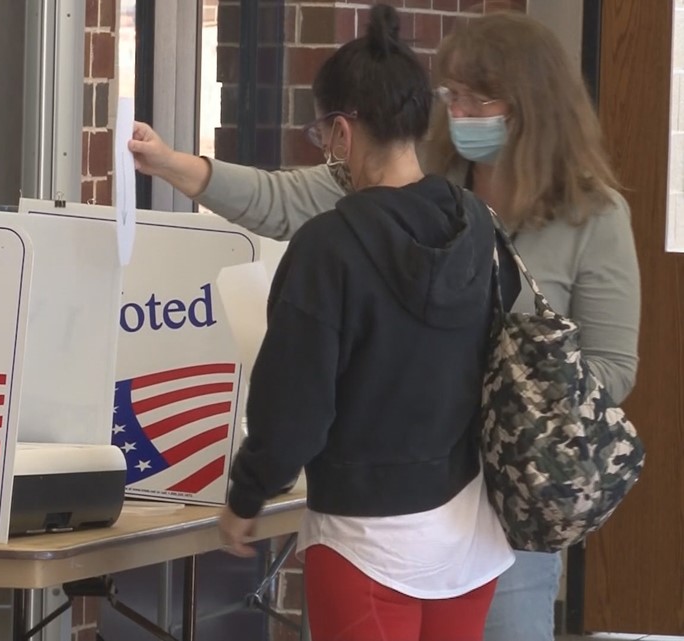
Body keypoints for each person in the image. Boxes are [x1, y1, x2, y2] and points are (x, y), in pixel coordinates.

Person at [129, 9, 640, 641]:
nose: (460, 112)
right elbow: (282, 197)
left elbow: (614, 367)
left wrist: (513, 394)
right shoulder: (454, 204)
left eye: (478, 99)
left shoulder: (584, 214)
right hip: (452, 510)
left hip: (493, 500)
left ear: (530, 106)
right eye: (450, 96)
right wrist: (176, 165)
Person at [175, 4, 519, 639]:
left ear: (341, 130)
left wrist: (245, 498)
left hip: (366, 537)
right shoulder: (479, 227)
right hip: (472, 534)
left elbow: (293, 409)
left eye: (324, 135)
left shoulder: (329, 248)